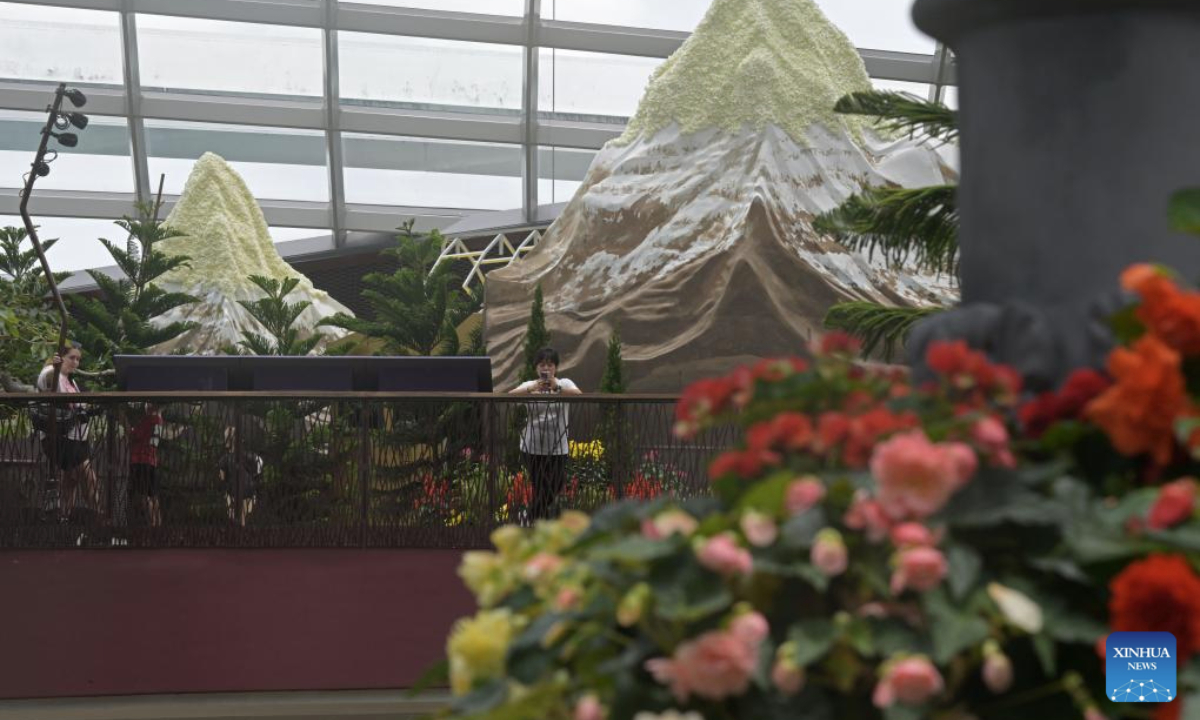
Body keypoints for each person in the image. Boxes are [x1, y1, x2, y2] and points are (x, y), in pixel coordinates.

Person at [509, 348, 582, 519]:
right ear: (536, 367)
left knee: (555, 485)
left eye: (550, 365)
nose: (546, 369)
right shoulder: (530, 385)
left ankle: (530, 516)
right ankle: (536, 521)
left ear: (555, 368)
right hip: (531, 446)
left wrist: (557, 387)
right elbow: (509, 396)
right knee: (540, 486)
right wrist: (532, 388)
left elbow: (578, 395)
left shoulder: (565, 383)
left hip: (558, 448)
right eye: (542, 364)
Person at [35, 344, 99, 521]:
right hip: (61, 438)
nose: (76, 362)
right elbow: (47, 383)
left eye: (78, 359)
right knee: (89, 477)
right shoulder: (51, 372)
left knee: (71, 480)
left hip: (77, 437)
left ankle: (64, 517)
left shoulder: (72, 381)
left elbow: (77, 406)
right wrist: (54, 367)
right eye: (72, 357)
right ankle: (97, 515)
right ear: (61, 357)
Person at [127, 403, 164, 527]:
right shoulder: (159, 420)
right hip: (151, 460)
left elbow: (135, 435)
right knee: (153, 494)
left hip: (141, 460)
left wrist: (129, 429)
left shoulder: (148, 420)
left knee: (144, 494)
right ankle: (157, 523)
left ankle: (153, 523)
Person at [218, 426, 263, 528]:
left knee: (232, 504)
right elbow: (259, 461)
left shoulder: (225, 459)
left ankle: (237, 521)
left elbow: (222, 477)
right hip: (249, 487)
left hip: (234, 489)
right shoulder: (248, 455)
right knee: (244, 512)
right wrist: (256, 475)